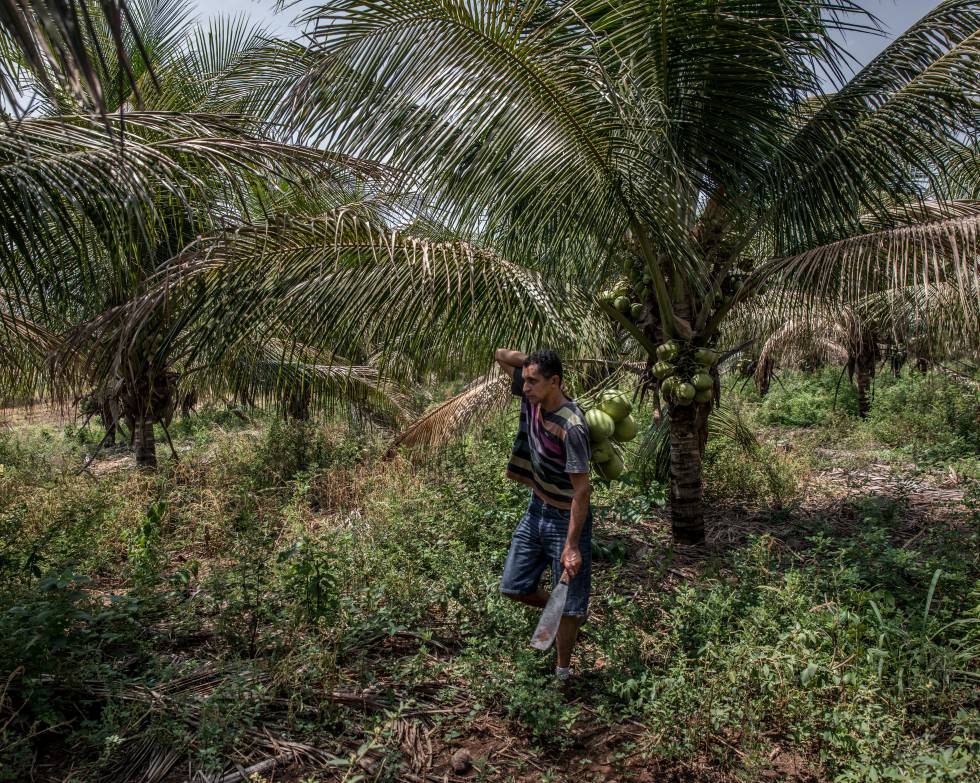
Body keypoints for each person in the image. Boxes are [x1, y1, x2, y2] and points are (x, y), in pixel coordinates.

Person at [494, 347, 592, 681]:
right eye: (525, 379)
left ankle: (562, 673)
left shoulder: (572, 426)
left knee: (571, 603)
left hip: (565, 518)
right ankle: (566, 613)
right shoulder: (532, 399)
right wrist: (530, 364)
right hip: (537, 508)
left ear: (555, 382)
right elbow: (500, 355)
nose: (525, 386)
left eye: (533, 381)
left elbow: (582, 490)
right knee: (513, 585)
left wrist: (573, 545)